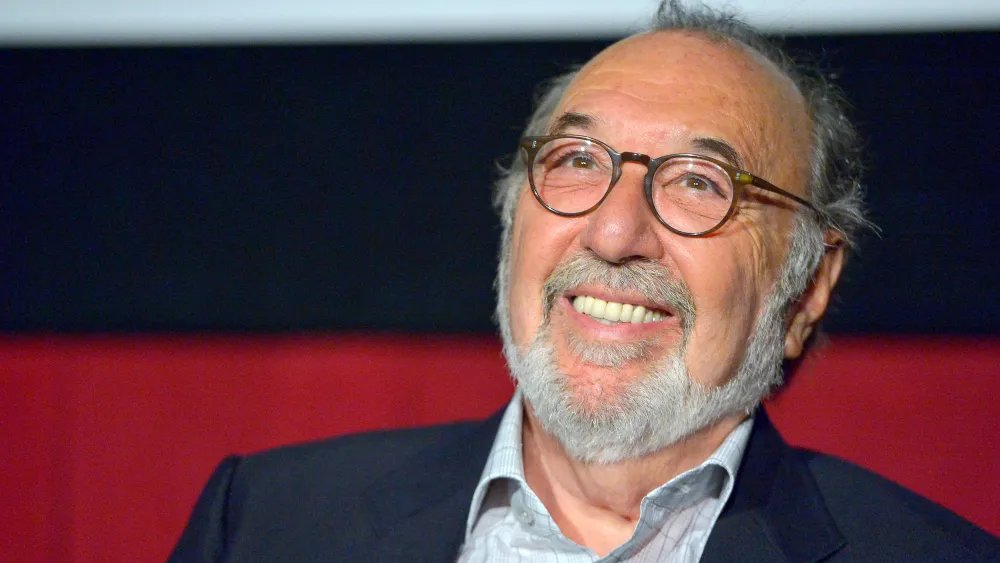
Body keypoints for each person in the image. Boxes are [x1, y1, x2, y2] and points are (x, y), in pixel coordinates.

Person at [170, 2, 998, 561]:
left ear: (809, 284)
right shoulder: (266, 523)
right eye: (576, 161)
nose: (613, 232)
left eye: (699, 181)